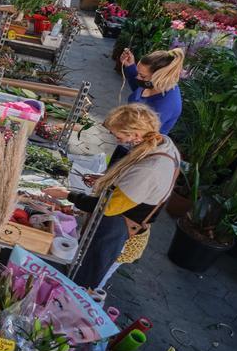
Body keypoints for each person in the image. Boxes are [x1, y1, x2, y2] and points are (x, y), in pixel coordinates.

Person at [43, 104, 180, 289]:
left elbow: (107, 207)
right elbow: (134, 180)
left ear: (135, 134)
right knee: (87, 267)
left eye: (119, 135)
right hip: (119, 221)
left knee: (88, 280)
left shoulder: (150, 169)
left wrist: (68, 194)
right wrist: (108, 178)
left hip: (120, 230)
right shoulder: (161, 142)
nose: (117, 140)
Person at [116, 48, 185, 134]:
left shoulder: (165, 105)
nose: (137, 77)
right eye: (138, 73)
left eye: (142, 76)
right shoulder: (152, 84)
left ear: (159, 77)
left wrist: (116, 127)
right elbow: (139, 87)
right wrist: (130, 66)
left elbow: (140, 133)